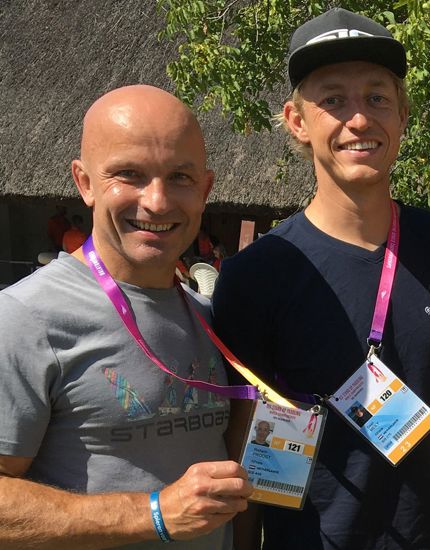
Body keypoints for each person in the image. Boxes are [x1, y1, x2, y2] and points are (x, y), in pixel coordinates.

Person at [211, 8, 430, 549]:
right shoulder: (255, 276)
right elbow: (244, 443)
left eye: (377, 97)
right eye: (333, 100)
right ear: (296, 121)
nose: (359, 119)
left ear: (403, 113)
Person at [0, 85, 252, 548]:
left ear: (206, 189)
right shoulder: (22, 319)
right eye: (129, 175)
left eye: (180, 177)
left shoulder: (208, 318)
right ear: (84, 182)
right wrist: (152, 513)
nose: (157, 202)